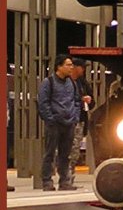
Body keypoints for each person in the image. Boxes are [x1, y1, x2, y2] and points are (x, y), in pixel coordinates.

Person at [37, 55, 80, 190]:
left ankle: (64, 181)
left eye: (71, 65)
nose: (71, 67)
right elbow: (43, 103)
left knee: (65, 154)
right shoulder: (48, 82)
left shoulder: (72, 83)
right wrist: (50, 119)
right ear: (59, 67)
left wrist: (75, 117)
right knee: (49, 152)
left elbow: (76, 100)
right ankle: (47, 181)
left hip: (69, 123)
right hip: (54, 124)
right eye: (68, 65)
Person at [69, 59, 94, 174]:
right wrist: (80, 99)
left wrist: (89, 100)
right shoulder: (64, 82)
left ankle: (69, 177)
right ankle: (65, 177)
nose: (83, 70)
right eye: (82, 67)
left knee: (75, 150)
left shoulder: (83, 83)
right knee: (65, 150)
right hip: (67, 120)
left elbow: (92, 103)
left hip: (80, 119)